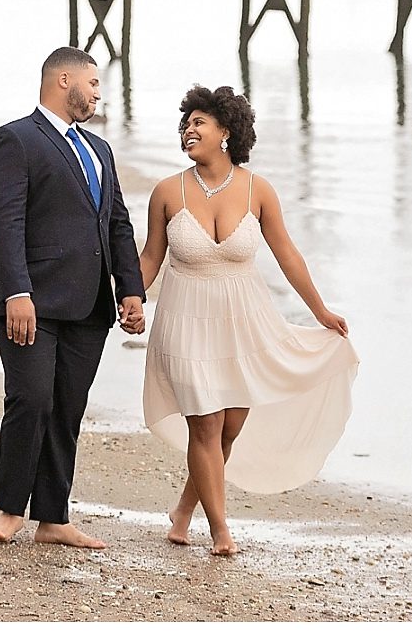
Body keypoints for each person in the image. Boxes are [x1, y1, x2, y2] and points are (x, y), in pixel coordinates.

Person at [137, 85, 359, 555]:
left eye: (198, 123)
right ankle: (220, 530)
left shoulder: (258, 190)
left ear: (226, 132)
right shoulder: (166, 192)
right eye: (185, 124)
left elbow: (287, 254)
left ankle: (184, 509)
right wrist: (131, 298)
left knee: (230, 426)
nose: (188, 131)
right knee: (205, 423)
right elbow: (151, 256)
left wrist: (320, 310)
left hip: (244, 320)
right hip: (185, 319)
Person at [0, 47, 145, 549]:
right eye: (92, 83)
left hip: (88, 303)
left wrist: (130, 288)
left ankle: (53, 519)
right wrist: (17, 292)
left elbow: (116, 222)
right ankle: (10, 511)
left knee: (67, 406)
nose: (97, 93)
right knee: (31, 398)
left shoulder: (99, 149)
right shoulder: (14, 139)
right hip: (29, 299)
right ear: (63, 79)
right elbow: (5, 222)